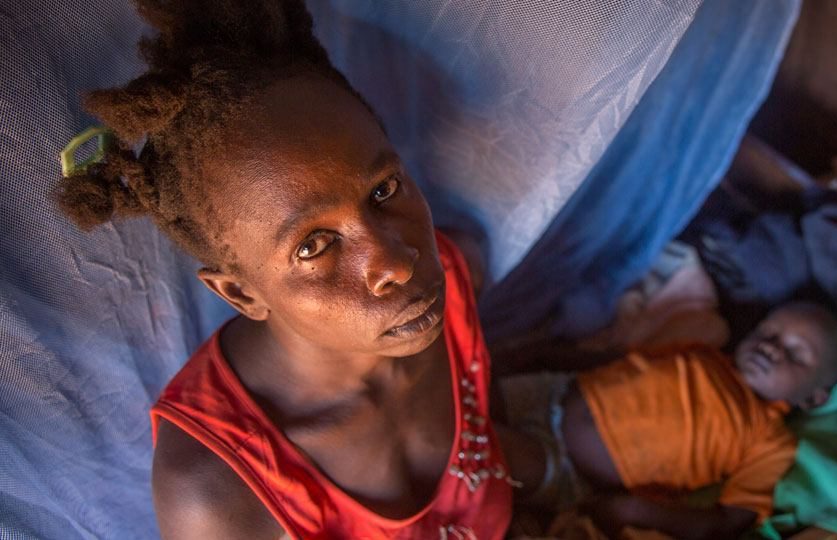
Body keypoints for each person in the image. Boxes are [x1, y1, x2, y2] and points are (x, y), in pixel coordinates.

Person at [55, 1, 541, 538]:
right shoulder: (218, 490)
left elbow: (489, 437)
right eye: (314, 246)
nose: (397, 263)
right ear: (241, 293)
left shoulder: (449, 269)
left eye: (383, 190)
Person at [530, 302, 837, 540]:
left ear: (811, 399)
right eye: (768, 332)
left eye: (795, 355)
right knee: (482, 395)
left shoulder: (770, 441)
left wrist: (634, 511)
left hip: (567, 468)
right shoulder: (705, 353)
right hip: (549, 390)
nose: (770, 348)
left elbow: (726, 520)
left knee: (494, 455)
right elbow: (617, 360)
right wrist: (545, 356)